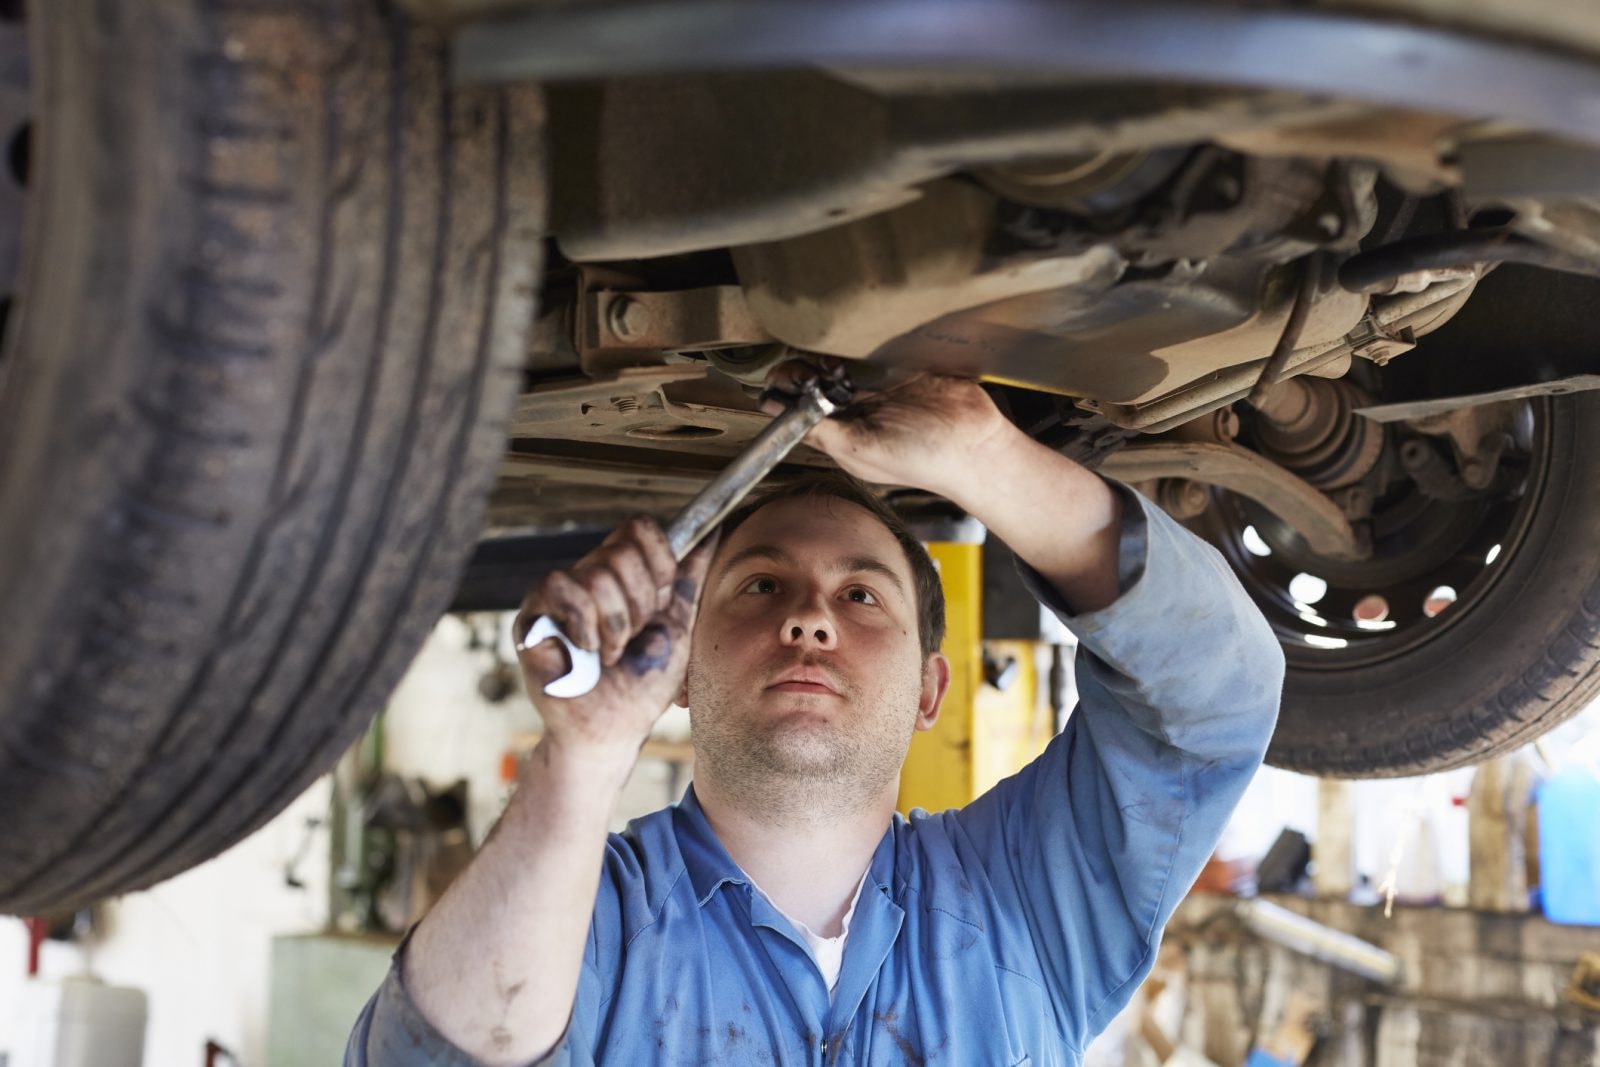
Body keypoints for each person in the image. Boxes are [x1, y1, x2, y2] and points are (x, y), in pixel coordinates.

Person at [346, 372, 1284, 1065]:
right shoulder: (588, 918)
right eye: (760, 585)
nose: (808, 616)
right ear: (678, 669)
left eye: (863, 596)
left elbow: (1216, 693)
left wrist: (984, 455)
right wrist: (582, 755)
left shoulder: (1025, 902)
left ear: (929, 692)